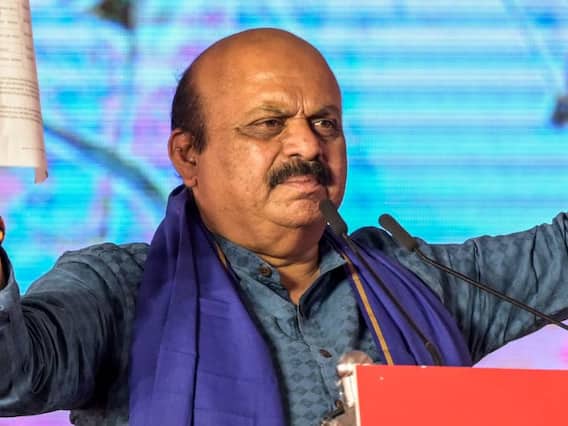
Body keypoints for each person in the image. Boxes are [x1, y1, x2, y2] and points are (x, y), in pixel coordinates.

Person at [1, 28, 567, 426]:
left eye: (325, 123)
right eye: (269, 124)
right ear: (188, 155)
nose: (307, 145)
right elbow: (12, 375)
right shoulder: (121, 290)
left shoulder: (414, 280)